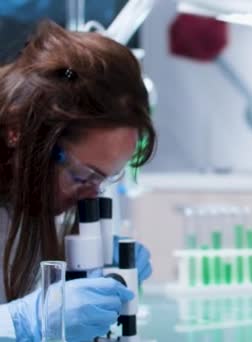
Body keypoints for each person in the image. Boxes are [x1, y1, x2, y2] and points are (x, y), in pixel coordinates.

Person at [0, 21, 157, 340]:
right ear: (20, 132)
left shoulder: (26, 197)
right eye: (84, 175)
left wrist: (83, 271)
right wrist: (17, 322)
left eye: (106, 178)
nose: (91, 196)